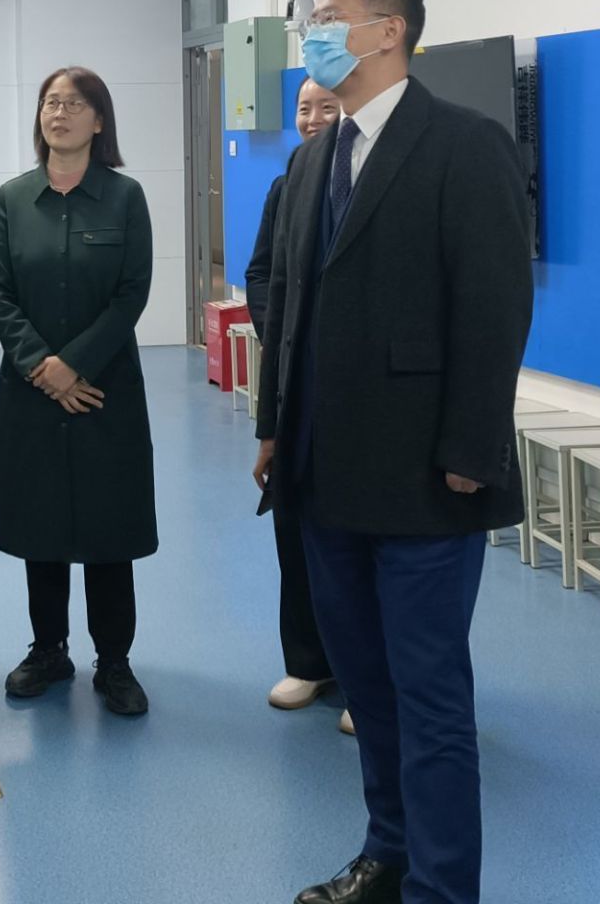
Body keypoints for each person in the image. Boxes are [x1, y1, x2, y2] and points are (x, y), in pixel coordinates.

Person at [255, 0, 532, 904]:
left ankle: (443, 888)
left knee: (430, 696)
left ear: (388, 31)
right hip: (323, 476)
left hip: (425, 477)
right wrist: (273, 429)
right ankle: (388, 855)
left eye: (328, 18)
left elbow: (494, 312)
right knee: (366, 688)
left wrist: (470, 452)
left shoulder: (465, 145)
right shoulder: (311, 160)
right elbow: (290, 311)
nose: (312, 34)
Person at [0, 68, 156, 717]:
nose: (59, 113)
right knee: (42, 524)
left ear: (99, 120)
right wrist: (41, 366)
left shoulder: (125, 197)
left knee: (109, 527)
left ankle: (114, 661)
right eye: (51, 103)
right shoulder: (13, 198)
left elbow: (131, 292)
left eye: (75, 104)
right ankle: (48, 650)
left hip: (104, 388)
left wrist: (75, 365)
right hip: (31, 392)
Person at [244, 74, 354, 735]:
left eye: (326, 106)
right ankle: (308, 664)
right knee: (298, 535)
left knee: (362, 546)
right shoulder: (289, 184)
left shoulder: (371, 179)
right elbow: (263, 272)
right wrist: (281, 330)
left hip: (360, 395)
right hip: (297, 390)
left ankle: (366, 679)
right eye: (304, 108)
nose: (313, 118)